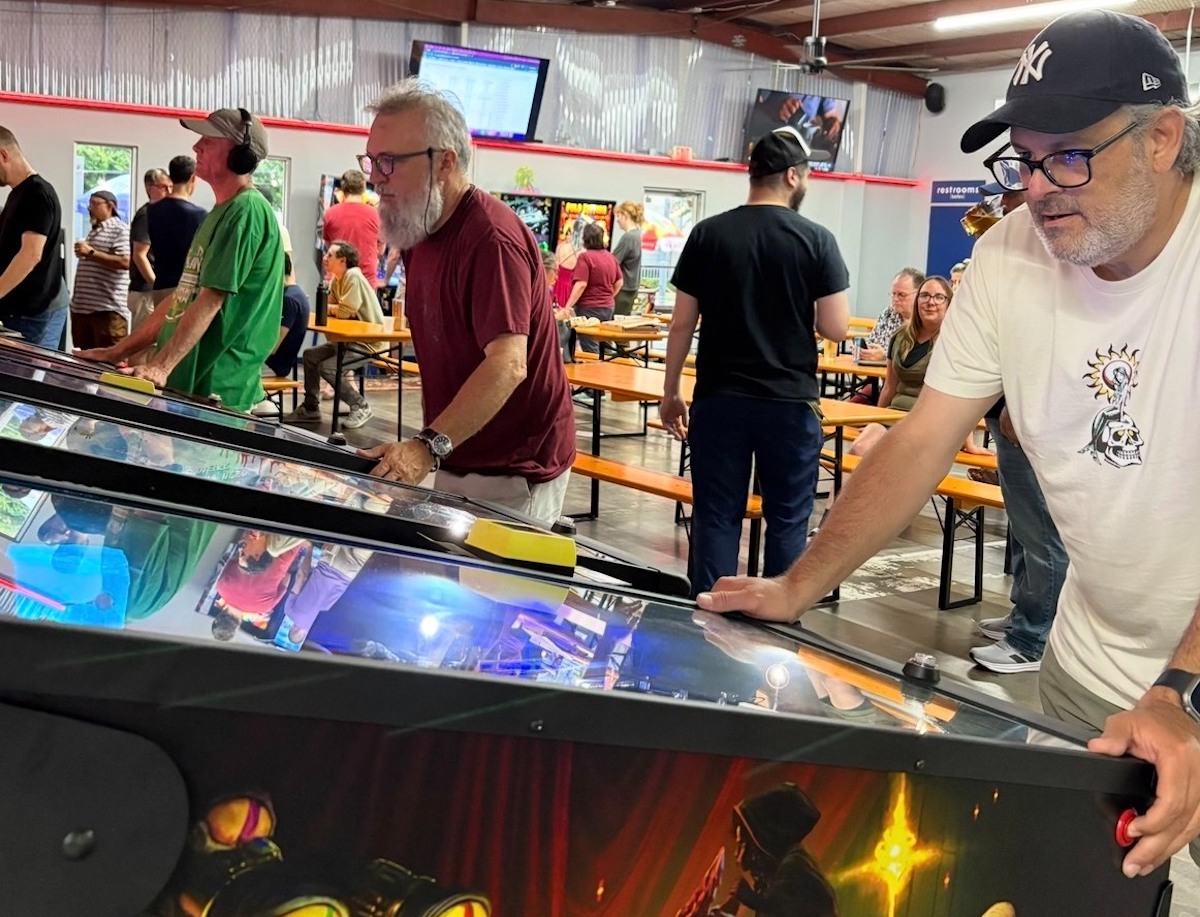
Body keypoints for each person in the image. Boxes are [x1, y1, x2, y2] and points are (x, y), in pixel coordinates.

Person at [697, 10, 1200, 879]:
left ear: (1161, 139)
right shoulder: (1010, 256)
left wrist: (1184, 694)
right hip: (1086, 669)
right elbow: (925, 435)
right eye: (1023, 159)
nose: (1036, 188)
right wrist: (798, 583)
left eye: (1068, 155)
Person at [354, 78, 576, 526]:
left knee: (492, 593)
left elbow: (508, 365)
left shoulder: (491, 239)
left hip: (513, 468)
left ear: (445, 163)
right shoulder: (421, 231)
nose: (375, 175)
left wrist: (426, 447)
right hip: (457, 449)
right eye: (373, 160)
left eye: (390, 161)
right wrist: (433, 447)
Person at [660, 125, 850, 596]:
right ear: (791, 176)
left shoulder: (708, 234)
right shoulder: (817, 240)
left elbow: (681, 323)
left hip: (719, 399)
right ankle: (780, 629)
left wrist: (670, 392)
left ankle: (709, 620)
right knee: (788, 518)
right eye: (805, 176)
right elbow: (836, 328)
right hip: (789, 403)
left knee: (716, 516)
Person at [76, 108, 284, 412]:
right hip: (192, 376)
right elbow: (181, 299)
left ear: (239, 154)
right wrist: (118, 351)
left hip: (217, 382)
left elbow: (211, 300)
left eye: (208, 140)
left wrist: (161, 366)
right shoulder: (220, 212)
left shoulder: (246, 211)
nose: (196, 147)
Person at [284, 240, 382, 430]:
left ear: (343, 260)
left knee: (328, 368)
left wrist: (335, 309)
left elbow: (345, 310)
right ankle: (311, 408)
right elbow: (332, 310)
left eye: (330, 255)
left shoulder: (353, 275)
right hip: (347, 340)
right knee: (310, 356)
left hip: (367, 343)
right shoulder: (337, 280)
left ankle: (360, 405)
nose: (325, 258)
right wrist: (336, 309)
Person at [0, 126, 67, 349]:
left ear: (2, 155)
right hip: (19, 310)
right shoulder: (16, 195)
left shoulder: (38, 194)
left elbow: (30, 255)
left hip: (36, 313)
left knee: (30, 380)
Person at [70, 190, 130, 350]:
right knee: (83, 364)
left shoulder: (120, 230)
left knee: (109, 365)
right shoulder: (95, 230)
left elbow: (125, 261)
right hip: (82, 311)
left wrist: (90, 253)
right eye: (89, 204)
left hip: (107, 312)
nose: (90, 208)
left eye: (95, 204)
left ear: (110, 206)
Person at [147, 154, 208, 306]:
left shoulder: (152, 210)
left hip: (160, 285)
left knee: (161, 330)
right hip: (186, 288)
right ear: (193, 178)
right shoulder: (199, 215)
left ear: (170, 177)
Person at [562, 222, 622, 353]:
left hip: (589, 307)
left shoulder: (586, 257)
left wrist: (567, 306)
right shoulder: (610, 257)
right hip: (608, 307)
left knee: (590, 346)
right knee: (605, 344)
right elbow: (619, 281)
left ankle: (595, 372)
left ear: (585, 239)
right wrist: (609, 297)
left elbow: (581, 284)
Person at [322, 168, 382, 289]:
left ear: (343, 188)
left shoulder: (330, 213)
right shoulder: (375, 214)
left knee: (334, 309)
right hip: (365, 281)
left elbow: (330, 247)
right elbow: (380, 249)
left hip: (337, 279)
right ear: (364, 188)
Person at [127, 167, 171, 333]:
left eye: (170, 187)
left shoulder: (161, 214)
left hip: (153, 289)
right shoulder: (147, 214)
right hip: (145, 291)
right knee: (143, 346)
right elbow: (139, 255)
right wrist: (157, 286)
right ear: (150, 188)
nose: (168, 191)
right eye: (163, 187)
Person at [856, 267, 922, 364]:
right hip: (879, 375)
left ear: (919, 294)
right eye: (893, 294)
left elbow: (920, 360)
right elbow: (872, 342)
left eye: (901, 295)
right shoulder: (888, 314)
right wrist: (864, 352)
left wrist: (885, 357)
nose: (895, 299)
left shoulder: (927, 320)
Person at [263, 252, 310, 379]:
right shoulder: (297, 293)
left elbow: (273, 346)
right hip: (277, 363)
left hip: (274, 365)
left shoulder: (289, 300)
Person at [611, 200, 644, 316]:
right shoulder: (637, 235)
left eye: (619, 216)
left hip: (622, 289)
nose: (617, 220)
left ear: (625, 216)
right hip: (631, 288)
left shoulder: (628, 237)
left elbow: (612, 262)